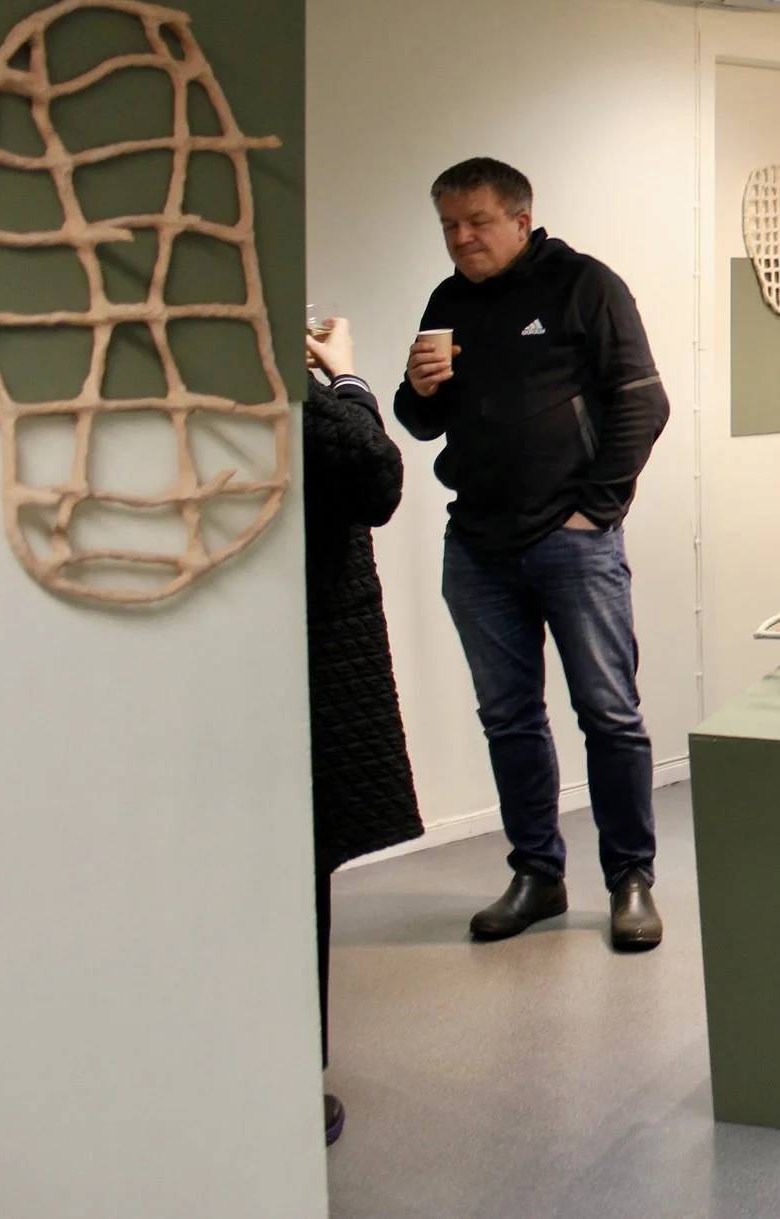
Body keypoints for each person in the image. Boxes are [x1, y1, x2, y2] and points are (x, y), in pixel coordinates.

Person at [394, 157, 672, 952]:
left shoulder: (584, 285)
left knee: (608, 713)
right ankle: (537, 874)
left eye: (477, 221)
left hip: (571, 543)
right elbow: (420, 421)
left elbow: (642, 401)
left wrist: (596, 511)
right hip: (477, 545)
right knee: (509, 718)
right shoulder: (448, 301)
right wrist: (419, 387)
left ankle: (630, 879)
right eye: (449, 225)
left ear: (521, 219)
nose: (461, 237)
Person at [305, 316, 423, 1147]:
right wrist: (347, 375)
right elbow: (377, 474)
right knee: (295, 872)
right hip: (300, 653)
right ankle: (290, 1072)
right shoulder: (275, 379)